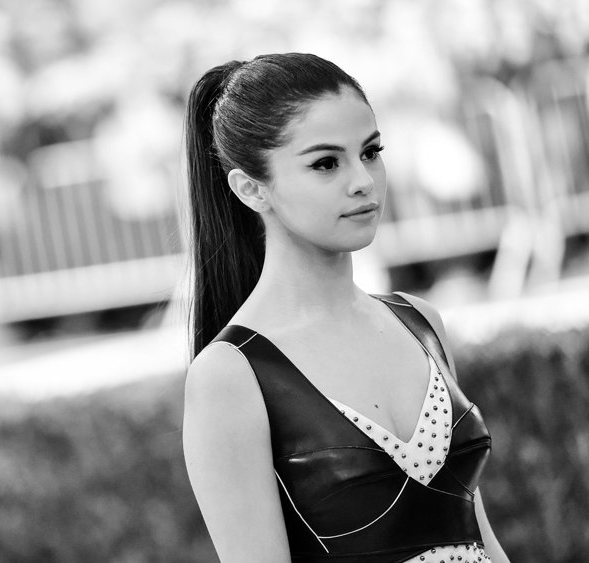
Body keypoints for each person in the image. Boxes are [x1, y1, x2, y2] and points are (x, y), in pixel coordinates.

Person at [181, 53, 510, 563]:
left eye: (371, 152)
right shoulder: (231, 374)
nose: (363, 180)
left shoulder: (419, 321)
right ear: (251, 188)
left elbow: (476, 530)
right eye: (326, 163)